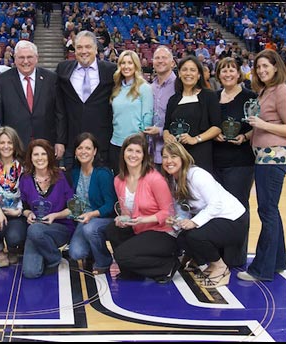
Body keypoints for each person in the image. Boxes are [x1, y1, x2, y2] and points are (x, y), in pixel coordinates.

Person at [161, 141, 248, 288]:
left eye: (173, 156)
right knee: (183, 237)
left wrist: (194, 222)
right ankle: (208, 265)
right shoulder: (174, 180)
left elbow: (216, 204)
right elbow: (183, 209)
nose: (169, 161)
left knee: (196, 236)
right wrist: (176, 221)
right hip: (214, 219)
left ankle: (221, 268)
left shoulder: (197, 175)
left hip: (234, 220)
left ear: (182, 158)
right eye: (165, 157)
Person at [237, 49, 286, 282]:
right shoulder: (265, 91)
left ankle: (261, 269)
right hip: (262, 156)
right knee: (271, 211)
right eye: (258, 67)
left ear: (276, 67)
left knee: (267, 212)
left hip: (273, 158)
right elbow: (262, 124)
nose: (261, 70)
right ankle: (277, 262)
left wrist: (262, 125)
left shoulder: (281, 91)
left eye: (266, 66)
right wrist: (247, 136)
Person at [105, 133, 178, 283]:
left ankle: (167, 266)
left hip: (162, 232)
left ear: (144, 156)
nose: (133, 155)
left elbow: (168, 212)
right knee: (112, 229)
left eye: (138, 151)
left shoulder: (154, 178)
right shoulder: (118, 180)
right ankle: (131, 272)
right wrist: (122, 219)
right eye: (129, 150)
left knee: (121, 255)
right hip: (140, 229)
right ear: (123, 152)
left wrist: (143, 220)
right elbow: (126, 211)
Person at [213, 57, 257, 266]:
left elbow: (258, 125)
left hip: (240, 162)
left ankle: (236, 258)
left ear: (239, 73)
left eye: (232, 70)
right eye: (224, 70)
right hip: (215, 161)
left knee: (238, 209)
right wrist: (213, 134)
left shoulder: (250, 97)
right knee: (218, 208)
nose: (228, 74)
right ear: (218, 74)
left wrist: (245, 137)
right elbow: (208, 124)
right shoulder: (213, 98)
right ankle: (219, 256)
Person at [0, 40, 65, 160]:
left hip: (46, 146)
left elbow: (59, 113)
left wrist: (60, 141)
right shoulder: (1, 81)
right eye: (21, 57)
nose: (25, 61)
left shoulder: (51, 79)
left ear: (36, 58)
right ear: (15, 59)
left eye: (29, 57)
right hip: (13, 147)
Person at [56, 30, 117, 168]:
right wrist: (60, 139)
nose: (84, 51)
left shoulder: (111, 70)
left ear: (96, 49)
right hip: (73, 144)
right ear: (74, 50)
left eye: (88, 47)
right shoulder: (63, 69)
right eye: (79, 47)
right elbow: (59, 108)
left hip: (102, 144)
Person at [19, 139, 75, 278]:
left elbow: (73, 209)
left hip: (60, 227)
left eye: (43, 154)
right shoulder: (25, 178)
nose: (40, 158)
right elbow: (24, 207)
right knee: (31, 272)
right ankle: (50, 254)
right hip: (36, 229)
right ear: (30, 158)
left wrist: (55, 216)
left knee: (34, 230)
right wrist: (29, 214)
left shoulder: (63, 176)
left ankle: (53, 257)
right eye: (35, 154)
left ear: (50, 156)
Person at [67, 132, 116, 275]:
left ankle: (104, 261)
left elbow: (110, 204)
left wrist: (91, 214)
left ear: (95, 151)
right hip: (85, 220)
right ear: (75, 151)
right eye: (80, 148)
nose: (83, 152)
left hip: (103, 218)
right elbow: (75, 201)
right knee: (76, 253)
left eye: (88, 148)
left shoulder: (103, 173)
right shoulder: (75, 172)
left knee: (90, 229)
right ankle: (92, 251)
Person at [163, 55, 222, 173]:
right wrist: (167, 137)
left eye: (192, 70)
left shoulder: (209, 96)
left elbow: (217, 127)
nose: (188, 73)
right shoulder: (173, 100)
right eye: (184, 70)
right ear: (179, 74)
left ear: (199, 74)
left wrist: (195, 139)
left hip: (201, 155)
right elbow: (166, 128)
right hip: (178, 156)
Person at [0, 126, 27, 268]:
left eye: (10, 142)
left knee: (15, 237)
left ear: (15, 145)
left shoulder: (23, 167)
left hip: (15, 211)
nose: (6, 146)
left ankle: (13, 249)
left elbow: (24, 194)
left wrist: (18, 210)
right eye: (2, 143)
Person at [108, 50, 153, 175]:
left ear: (136, 65)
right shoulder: (117, 88)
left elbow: (147, 117)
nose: (126, 66)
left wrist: (139, 141)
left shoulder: (144, 88)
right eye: (123, 63)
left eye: (130, 63)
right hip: (116, 143)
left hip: (134, 145)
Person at [143, 45, 176, 171]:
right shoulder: (150, 87)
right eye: (157, 58)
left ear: (172, 63)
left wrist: (161, 131)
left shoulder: (179, 86)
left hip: (171, 153)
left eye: (164, 58)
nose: (160, 60)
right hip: (150, 153)